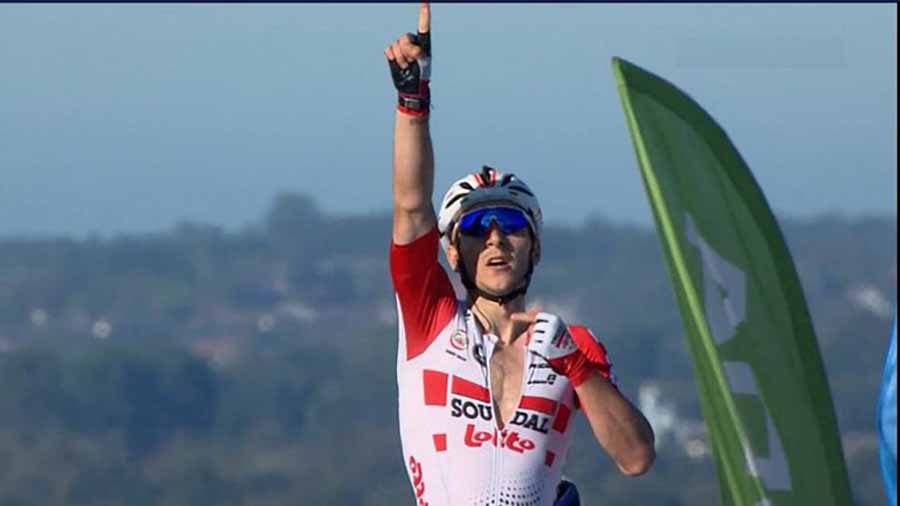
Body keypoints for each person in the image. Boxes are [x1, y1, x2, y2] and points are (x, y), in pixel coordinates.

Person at [386, 4, 655, 505]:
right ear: (452, 252)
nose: (495, 240)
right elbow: (410, 206)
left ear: (535, 247)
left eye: (511, 226)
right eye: (475, 228)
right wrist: (412, 102)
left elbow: (636, 457)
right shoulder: (431, 321)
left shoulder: (571, 343)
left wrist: (576, 366)